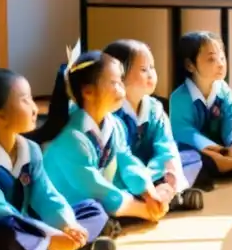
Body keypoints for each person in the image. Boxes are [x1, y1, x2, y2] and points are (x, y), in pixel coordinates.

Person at [0, 69, 115, 250]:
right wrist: (49, 235)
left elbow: (46, 195)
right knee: (7, 230)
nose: (34, 107)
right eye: (25, 100)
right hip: (0, 230)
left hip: (31, 228)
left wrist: (67, 225)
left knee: (94, 210)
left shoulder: (30, 149)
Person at [39, 51, 172, 224]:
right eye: (114, 83)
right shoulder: (71, 137)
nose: (121, 90)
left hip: (102, 195)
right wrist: (145, 211)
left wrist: (148, 192)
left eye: (121, 82)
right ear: (88, 91)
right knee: (95, 212)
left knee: (139, 189)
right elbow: (96, 187)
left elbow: (127, 161)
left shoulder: (114, 124)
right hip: (70, 203)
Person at [105, 40, 204, 210]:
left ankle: (165, 193)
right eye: (144, 69)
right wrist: (147, 182)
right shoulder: (111, 113)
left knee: (191, 157)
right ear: (119, 76)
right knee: (111, 176)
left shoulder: (155, 108)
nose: (151, 74)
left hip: (153, 170)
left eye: (152, 67)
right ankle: (161, 197)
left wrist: (168, 174)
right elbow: (121, 158)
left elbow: (165, 145)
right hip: (125, 173)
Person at [169, 32, 232, 182]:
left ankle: (224, 167)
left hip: (224, 146)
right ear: (190, 65)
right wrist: (216, 150)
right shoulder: (178, 97)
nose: (221, 64)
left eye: (222, 58)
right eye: (211, 59)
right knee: (186, 157)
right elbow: (185, 132)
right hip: (200, 149)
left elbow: (231, 120)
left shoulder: (224, 90)